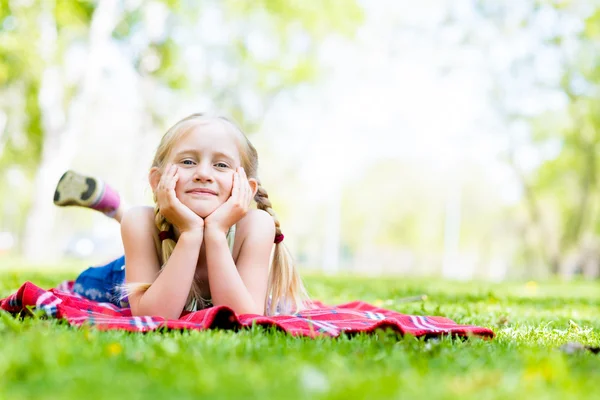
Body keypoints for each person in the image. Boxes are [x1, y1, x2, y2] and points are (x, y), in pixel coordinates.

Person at [53, 113, 309, 319]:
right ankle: (119, 209)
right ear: (157, 181)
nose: (203, 174)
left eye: (221, 165)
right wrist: (190, 233)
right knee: (134, 220)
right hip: (121, 276)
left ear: (246, 187)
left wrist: (216, 233)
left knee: (136, 218)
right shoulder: (140, 224)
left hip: (162, 236)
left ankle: (115, 206)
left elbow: (244, 318)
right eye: (188, 162)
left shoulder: (254, 226)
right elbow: (153, 316)